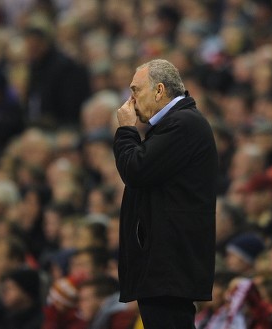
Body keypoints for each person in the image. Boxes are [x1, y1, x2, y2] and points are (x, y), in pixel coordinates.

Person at [113, 59, 218, 328]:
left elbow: (135, 170)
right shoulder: (175, 124)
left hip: (169, 265)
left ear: (159, 91)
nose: (131, 100)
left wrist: (126, 130)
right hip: (164, 264)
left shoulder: (183, 124)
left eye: (136, 90)